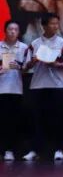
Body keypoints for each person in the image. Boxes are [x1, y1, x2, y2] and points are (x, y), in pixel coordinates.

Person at [27, 13, 63, 162]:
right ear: (43, 25)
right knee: (37, 119)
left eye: (57, 23)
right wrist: (33, 62)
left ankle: (59, 149)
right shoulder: (35, 43)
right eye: (52, 23)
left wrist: (56, 64)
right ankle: (35, 150)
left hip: (57, 85)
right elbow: (26, 66)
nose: (55, 26)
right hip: (38, 85)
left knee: (57, 119)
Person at [0, 20, 29, 161]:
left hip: (16, 89)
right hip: (1, 89)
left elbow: (27, 69)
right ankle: (3, 149)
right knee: (2, 121)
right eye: (10, 29)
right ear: (5, 31)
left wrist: (20, 67)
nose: (12, 32)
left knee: (14, 122)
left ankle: (10, 150)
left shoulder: (23, 47)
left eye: (15, 29)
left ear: (19, 32)